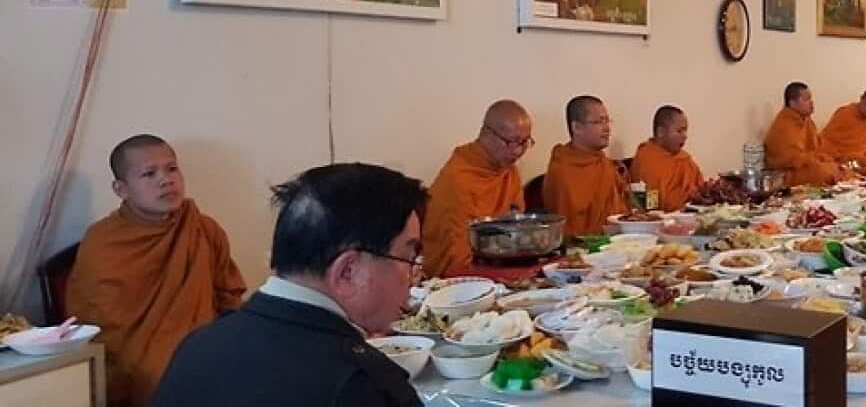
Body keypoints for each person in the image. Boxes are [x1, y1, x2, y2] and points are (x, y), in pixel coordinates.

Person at [151, 163, 427, 406]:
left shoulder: (198, 347)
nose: (412, 275)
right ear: (347, 272)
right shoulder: (363, 386)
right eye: (408, 256)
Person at [66, 135, 245, 407]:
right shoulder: (103, 242)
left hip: (206, 344)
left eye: (172, 169)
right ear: (121, 189)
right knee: (159, 375)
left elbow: (228, 296)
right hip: (134, 361)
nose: (166, 180)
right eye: (149, 173)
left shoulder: (202, 228)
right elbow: (100, 326)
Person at [421, 100, 532, 277]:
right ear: (487, 133)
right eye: (512, 142)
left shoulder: (507, 170)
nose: (518, 151)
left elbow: (516, 224)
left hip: (501, 264)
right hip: (461, 277)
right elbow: (456, 254)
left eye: (525, 142)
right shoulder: (458, 179)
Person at [543, 95, 629, 238]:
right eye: (599, 122)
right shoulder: (563, 169)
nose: (607, 128)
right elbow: (568, 230)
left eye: (607, 121)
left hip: (619, 239)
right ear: (577, 127)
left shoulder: (603, 162)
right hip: (583, 248)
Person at [764, 82, 843, 186]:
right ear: (792, 103)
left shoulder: (805, 120)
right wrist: (815, 160)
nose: (812, 103)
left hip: (807, 164)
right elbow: (790, 160)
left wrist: (824, 157)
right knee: (824, 173)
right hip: (788, 173)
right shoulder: (784, 125)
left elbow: (817, 145)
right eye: (807, 99)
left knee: (839, 167)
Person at [630, 105, 705, 211]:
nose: (685, 136)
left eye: (685, 130)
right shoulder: (647, 159)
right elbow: (652, 205)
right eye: (679, 131)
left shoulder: (683, 159)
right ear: (661, 132)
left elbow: (702, 191)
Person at [818, 88, 866, 177]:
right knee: (865, 166)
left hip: (863, 160)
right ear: (861, 99)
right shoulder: (845, 114)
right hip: (840, 160)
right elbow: (827, 141)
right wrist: (851, 157)